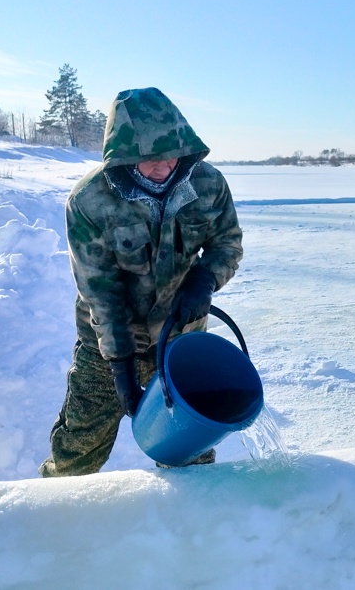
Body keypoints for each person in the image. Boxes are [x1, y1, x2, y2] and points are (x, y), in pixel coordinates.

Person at [39, 87, 243, 476]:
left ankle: (193, 528)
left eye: (171, 155)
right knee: (76, 451)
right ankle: (56, 524)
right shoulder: (90, 201)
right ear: (125, 155)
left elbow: (228, 243)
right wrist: (120, 365)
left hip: (181, 343)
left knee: (189, 457)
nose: (164, 166)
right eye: (149, 159)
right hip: (108, 344)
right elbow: (100, 293)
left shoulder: (208, 185)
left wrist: (205, 278)